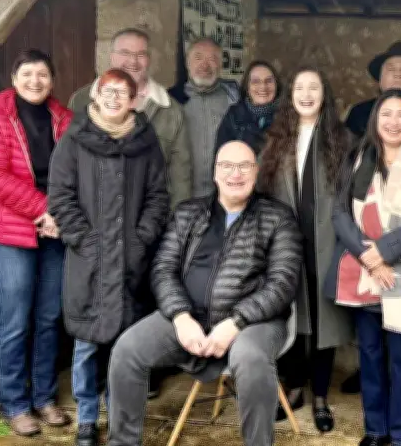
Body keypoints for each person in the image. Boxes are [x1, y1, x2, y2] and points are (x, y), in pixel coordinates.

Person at [105, 140, 303, 446]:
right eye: (227, 166)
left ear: (256, 172)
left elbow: (283, 283)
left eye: (244, 166)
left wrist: (236, 322)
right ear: (214, 172)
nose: (235, 174)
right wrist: (181, 316)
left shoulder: (278, 217)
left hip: (255, 322)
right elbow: (163, 269)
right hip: (189, 317)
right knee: (127, 349)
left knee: (250, 357)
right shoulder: (188, 213)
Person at [49, 69, 170, 446]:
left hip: (131, 262)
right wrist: (85, 240)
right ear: (95, 95)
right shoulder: (75, 138)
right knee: (86, 344)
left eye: (122, 92)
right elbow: (61, 196)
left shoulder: (146, 141)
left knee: (125, 347)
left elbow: (158, 197)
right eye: (108, 91)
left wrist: (141, 239)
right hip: (89, 261)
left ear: (134, 100)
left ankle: (120, 417)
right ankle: (86, 418)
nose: (114, 98)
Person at [325, 89, 401, 446]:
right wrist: (369, 257)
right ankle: (376, 430)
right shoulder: (357, 159)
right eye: (386, 114)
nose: (394, 122)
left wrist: (385, 251)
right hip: (364, 273)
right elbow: (340, 212)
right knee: (371, 355)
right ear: (375, 119)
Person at [0, 49, 73, 436]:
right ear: (14, 78)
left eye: (43, 74)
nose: (36, 81)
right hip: (10, 233)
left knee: (49, 317)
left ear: (52, 80)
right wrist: (43, 210)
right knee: (16, 319)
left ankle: (44, 398)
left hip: (55, 231)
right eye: (28, 74)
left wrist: (60, 215)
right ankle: (15, 404)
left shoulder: (63, 118)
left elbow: (76, 173)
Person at [257, 66, 354, 432]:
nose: (307, 94)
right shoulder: (277, 139)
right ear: (291, 95)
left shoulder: (343, 140)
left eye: (314, 87)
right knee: (292, 318)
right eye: (300, 87)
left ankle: (321, 396)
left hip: (328, 243)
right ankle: (295, 387)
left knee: (324, 320)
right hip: (287, 244)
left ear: (324, 94)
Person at [341, 41, 401, 394]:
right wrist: (368, 249)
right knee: (370, 329)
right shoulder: (359, 114)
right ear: (379, 79)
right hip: (366, 237)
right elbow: (348, 185)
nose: (398, 75)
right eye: (391, 69)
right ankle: (371, 377)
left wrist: (393, 245)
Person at [69, 27, 191, 208]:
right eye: (125, 53)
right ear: (112, 56)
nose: (133, 61)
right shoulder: (82, 100)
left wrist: (177, 220)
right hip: (92, 213)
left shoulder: (171, 110)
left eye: (141, 54)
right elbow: (68, 166)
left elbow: (180, 176)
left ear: (149, 59)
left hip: (151, 215)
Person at [168, 37, 240, 197]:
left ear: (220, 65)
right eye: (198, 58)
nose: (205, 65)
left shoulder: (234, 100)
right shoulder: (172, 101)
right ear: (188, 63)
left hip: (224, 196)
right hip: (182, 196)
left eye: (212, 59)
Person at [215, 60, 281, 155]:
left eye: (269, 81)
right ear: (247, 87)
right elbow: (221, 156)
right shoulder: (233, 116)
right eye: (256, 81)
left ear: (277, 85)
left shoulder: (286, 116)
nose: (263, 86)